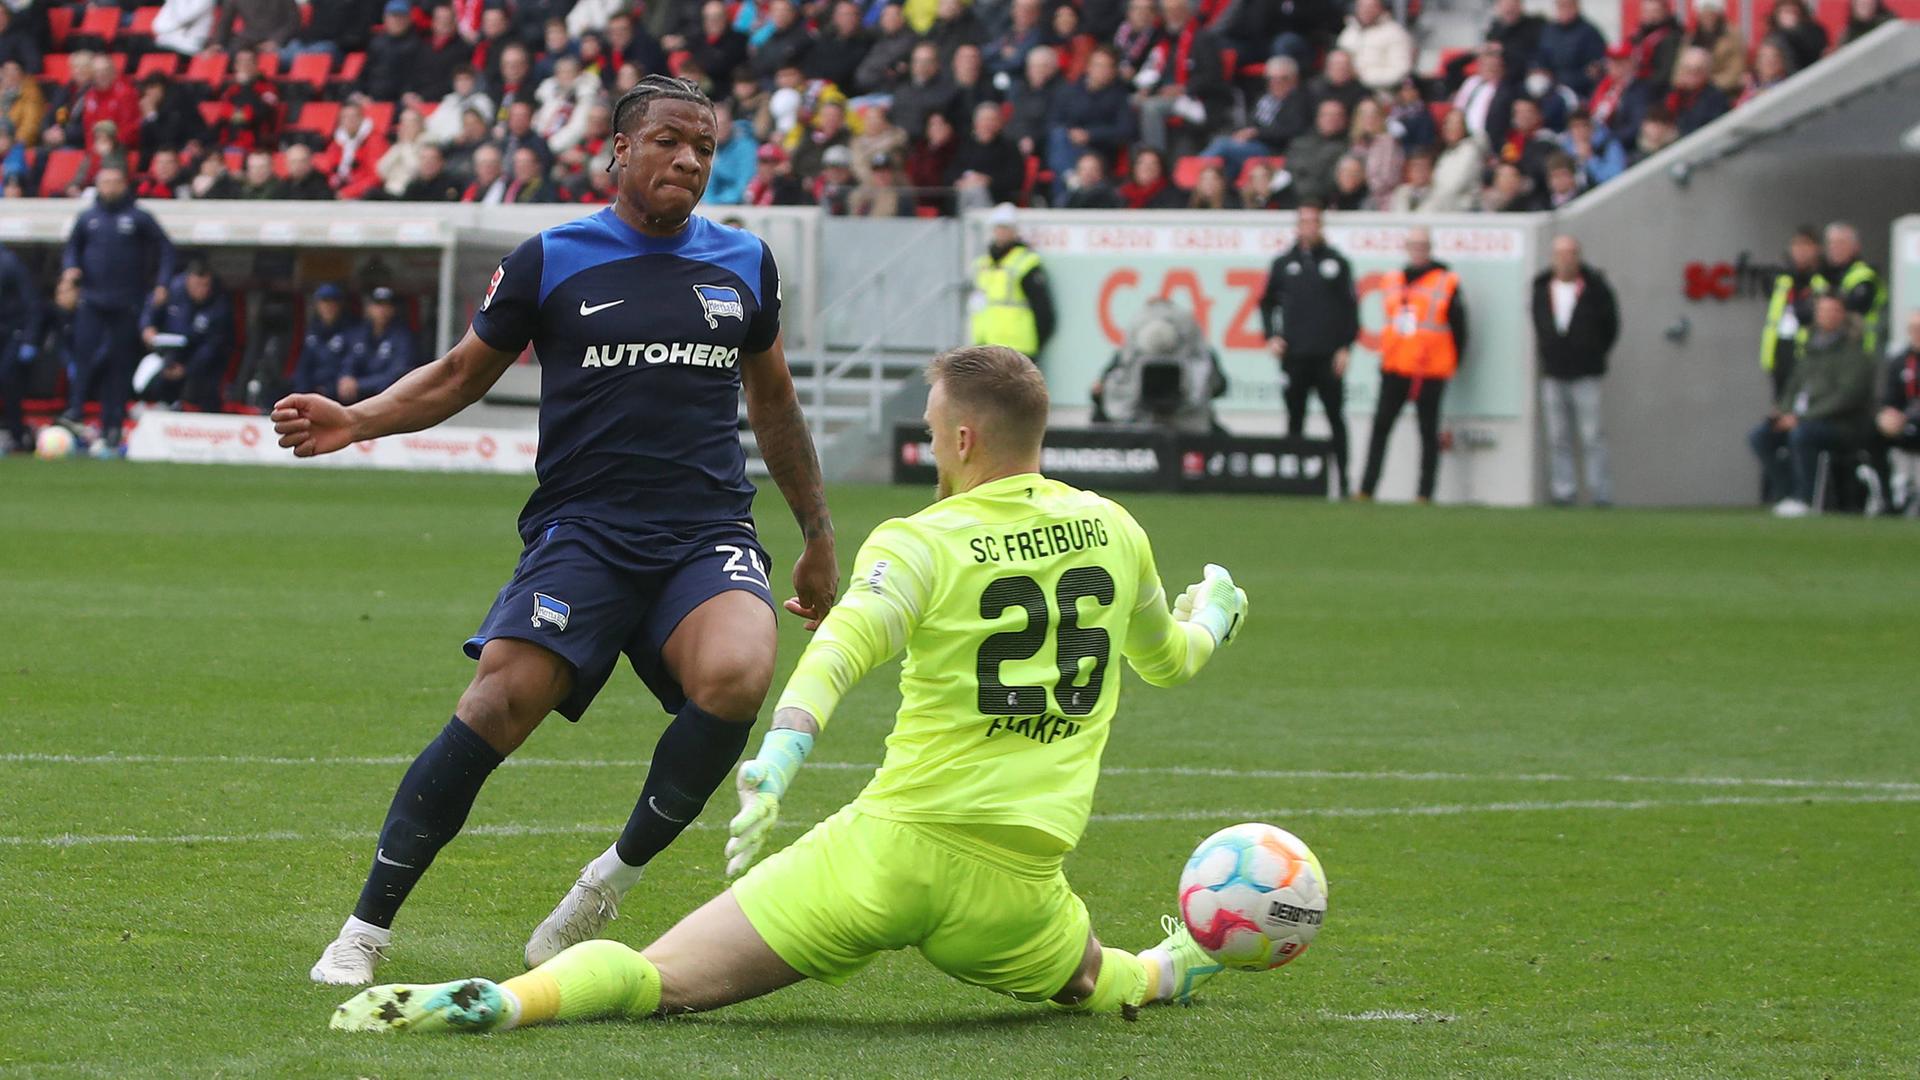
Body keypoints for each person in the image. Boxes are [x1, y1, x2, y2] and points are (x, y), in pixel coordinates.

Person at [330, 344, 1253, 1036]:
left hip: (884, 859)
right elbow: (1171, 659)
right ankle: (1191, 958)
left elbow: (839, 648)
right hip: (1016, 892)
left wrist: (782, 750)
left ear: (964, 439)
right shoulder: (1115, 531)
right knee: (1105, 978)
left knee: (658, 980)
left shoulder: (922, 540)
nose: (931, 441)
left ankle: (508, 1002)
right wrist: (1215, 615)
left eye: (933, 428)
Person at [278, 76, 839, 987]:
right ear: (620, 149)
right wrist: (359, 418)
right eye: (668, 140)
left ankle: (606, 883)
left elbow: (773, 402)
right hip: (585, 532)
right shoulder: (552, 258)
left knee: (740, 672)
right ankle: (364, 930)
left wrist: (816, 531)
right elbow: (460, 374)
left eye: (703, 146)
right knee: (496, 703)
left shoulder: (746, 263)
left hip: (704, 533)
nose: (688, 159)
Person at [57, 166, 175, 455]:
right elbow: (72, 248)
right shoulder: (88, 217)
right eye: (104, 182)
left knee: (119, 365)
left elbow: (166, 249)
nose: (109, 187)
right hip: (92, 301)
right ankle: (76, 410)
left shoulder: (138, 217)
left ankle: (113, 422)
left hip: (126, 303)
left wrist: (162, 283)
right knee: (83, 356)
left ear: (124, 184)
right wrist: (71, 269)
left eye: (114, 181)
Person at [1358, 227, 1468, 503]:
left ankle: (1424, 493)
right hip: (1395, 366)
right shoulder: (1393, 279)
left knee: (1428, 432)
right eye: (1414, 245)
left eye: (1423, 245)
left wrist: (1452, 363)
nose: (1418, 250)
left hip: (1429, 369)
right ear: (1407, 248)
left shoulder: (1446, 281)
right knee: (1381, 427)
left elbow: (1459, 328)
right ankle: (1367, 489)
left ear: (1430, 248)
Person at [1748, 293, 1876, 517]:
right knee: (1761, 436)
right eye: (1823, 311)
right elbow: (1793, 386)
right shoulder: (1810, 349)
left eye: (1833, 311)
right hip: (1803, 420)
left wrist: (1802, 418)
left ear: (1843, 315)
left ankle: (1805, 498)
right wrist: (1783, 411)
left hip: (1841, 425)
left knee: (1802, 434)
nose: (1828, 316)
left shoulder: (1854, 353)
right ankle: (1786, 493)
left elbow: (1847, 397)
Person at [1262, 201, 1358, 497]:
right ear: (1297, 226)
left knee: (1335, 418)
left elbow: (1350, 309)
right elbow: (1266, 303)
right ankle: (1294, 480)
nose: (1309, 227)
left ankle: (1343, 482)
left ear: (1321, 226)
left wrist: (1345, 346)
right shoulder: (1283, 263)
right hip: (1295, 355)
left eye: (1314, 222)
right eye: (1304, 222)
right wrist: (1272, 336)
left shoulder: (1337, 263)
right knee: (1295, 418)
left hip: (1327, 355)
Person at [1530, 236, 1619, 507]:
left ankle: (1600, 494)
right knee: (1558, 436)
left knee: (1592, 435)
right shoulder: (1541, 288)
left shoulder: (1596, 288)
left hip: (1586, 372)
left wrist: (1592, 352)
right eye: (1560, 254)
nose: (1565, 259)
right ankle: (1563, 492)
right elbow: (1539, 324)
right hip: (1554, 372)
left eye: (1570, 254)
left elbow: (1611, 326)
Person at [138, 258, 233, 412]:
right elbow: (150, 311)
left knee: (205, 381)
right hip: (168, 353)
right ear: (188, 280)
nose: (202, 290)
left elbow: (212, 345)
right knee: (150, 375)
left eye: (206, 285)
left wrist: (187, 369)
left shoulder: (218, 304)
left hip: (199, 360)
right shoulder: (171, 290)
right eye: (197, 285)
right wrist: (147, 328)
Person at [969, 204, 1055, 363]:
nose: (1001, 232)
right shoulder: (984, 263)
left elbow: (1043, 311)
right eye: (998, 227)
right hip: (986, 346)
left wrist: (1036, 345)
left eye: (1006, 228)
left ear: (1015, 231)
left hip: (1018, 347)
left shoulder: (1026, 263)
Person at [1760, 226, 1822, 400]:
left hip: (1810, 352)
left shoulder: (1821, 281)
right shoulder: (1781, 279)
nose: (1800, 250)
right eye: (1796, 245)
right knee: (1781, 402)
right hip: (1779, 349)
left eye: (1806, 245)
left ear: (1817, 249)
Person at [334, 287, 420, 404]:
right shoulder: (359, 333)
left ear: (392, 310)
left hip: (387, 399)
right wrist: (346, 377)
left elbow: (397, 373)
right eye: (378, 305)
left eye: (386, 306)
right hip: (358, 399)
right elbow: (349, 362)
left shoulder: (403, 337)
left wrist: (360, 384)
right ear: (369, 308)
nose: (381, 310)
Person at [1813, 221, 1888, 356]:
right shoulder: (1819, 276)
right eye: (1831, 243)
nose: (1835, 248)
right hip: (1824, 349)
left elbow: (1855, 306)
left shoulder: (1864, 276)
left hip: (1860, 349)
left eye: (1841, 243)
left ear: (1855, 247)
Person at [1872, 311, 1920, 512]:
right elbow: (1888, 397)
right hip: (1903, 422)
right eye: (1914, 329)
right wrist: (1887, 415)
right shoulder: (1899, 361)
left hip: (1913, 420)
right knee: (1871, 434)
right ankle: (1886, 497)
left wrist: (1908, 417)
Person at [0, 240, 40, 453]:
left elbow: (32, 303)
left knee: (8, 381)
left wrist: (29, 339)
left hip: (13, 334)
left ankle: (17, 435)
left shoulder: (9, 262)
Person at [1335, 0, 1414, 93]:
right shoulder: (1349, 32)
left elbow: (1401, 72)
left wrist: (1362, 77)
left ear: (1381, 9)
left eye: (1371, 7)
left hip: (1381, 92)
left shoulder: (1395, 33)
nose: (1366, 10)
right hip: (1347, 90)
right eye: (1362, 7)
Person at [293, 284, 357, 396]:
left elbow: (349, 365)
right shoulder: (312, 331)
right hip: (312, 390)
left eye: (333, 302)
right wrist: (302, 392)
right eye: (324, 302)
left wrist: (331, 389)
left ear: (339, 305)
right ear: (317, 305)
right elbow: (303, 366)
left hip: (337, 392)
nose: (328, 307)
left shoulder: (351, 331)